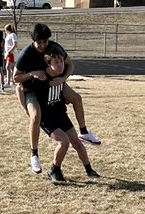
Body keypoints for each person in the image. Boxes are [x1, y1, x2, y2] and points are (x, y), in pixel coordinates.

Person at [14, 23, 100, 175]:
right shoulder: (26, 54)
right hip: (32, 88)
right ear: (34, 41)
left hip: (55, 90)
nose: (42, 45)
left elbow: (70, 64)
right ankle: (34, 154)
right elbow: (17, 81)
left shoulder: (54, 49)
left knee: (77, 98)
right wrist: (32, 73)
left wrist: (63, 79)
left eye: (45, 42)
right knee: (36, 116)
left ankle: (84, 132)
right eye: (39, 42)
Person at [37, 49, 100, 183]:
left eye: (61, 62)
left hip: (60, 114)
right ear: (49, 64)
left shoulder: (61, 77)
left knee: (77, 142)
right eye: (56, 62)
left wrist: (64, 95)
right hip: (47, 119)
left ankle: (89, 169)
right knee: (64, 142)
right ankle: (54, 170)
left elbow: (71, 95)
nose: (60, 65)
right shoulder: (41, 78)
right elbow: (20, 88)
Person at [3, 23, 18, 87]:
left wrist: (9, 51)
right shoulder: (7, 35)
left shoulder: (13, 35)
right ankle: (12, 81)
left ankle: (8, 82)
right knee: (11, 68)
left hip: (11, 53)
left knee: (8, 67)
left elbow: (15, 44)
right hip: (8, 53)